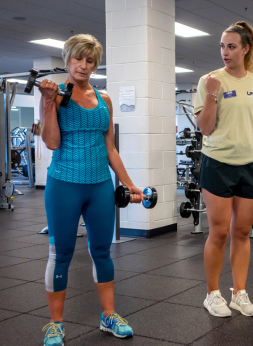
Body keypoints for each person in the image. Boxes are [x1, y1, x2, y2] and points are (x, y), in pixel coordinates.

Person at [40, 34, 142, 346]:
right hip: (64, 185)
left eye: (90, 60)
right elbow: (52, 142)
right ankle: (55, 324)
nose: (84, 66)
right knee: (61, 254)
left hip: (99, 186)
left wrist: (129, 183)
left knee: (102, 250)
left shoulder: (105, 100)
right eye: (78, 59)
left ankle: (108, 315)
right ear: (67, 59)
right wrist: (47, 102)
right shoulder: (56, 96)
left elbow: (110, 147)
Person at [194, 21, 253, 318]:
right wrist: (211, 94)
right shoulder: (209, 80)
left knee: (242, 232)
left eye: (231, 46)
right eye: (221, 46)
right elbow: (205, 128)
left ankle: (239, 293)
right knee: (218, 232)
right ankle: (212, 293)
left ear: (246, 49)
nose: (225, 52)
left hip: (252, 165)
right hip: (218, 163)